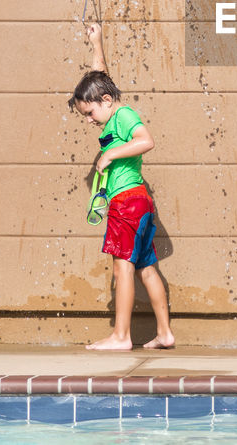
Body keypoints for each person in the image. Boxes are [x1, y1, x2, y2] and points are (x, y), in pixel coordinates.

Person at [69, 22, 175, 351]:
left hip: (126, 202)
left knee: (121, 268)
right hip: (138, 203)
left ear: (104, 102)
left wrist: (110, 153)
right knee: (145, 268)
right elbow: (100, 78)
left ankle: (121, 336)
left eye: (89, 113)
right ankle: (164, 334)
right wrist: (96, 42)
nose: (88, 120)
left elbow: (146, 141)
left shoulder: (124, 115)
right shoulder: (112, 108)